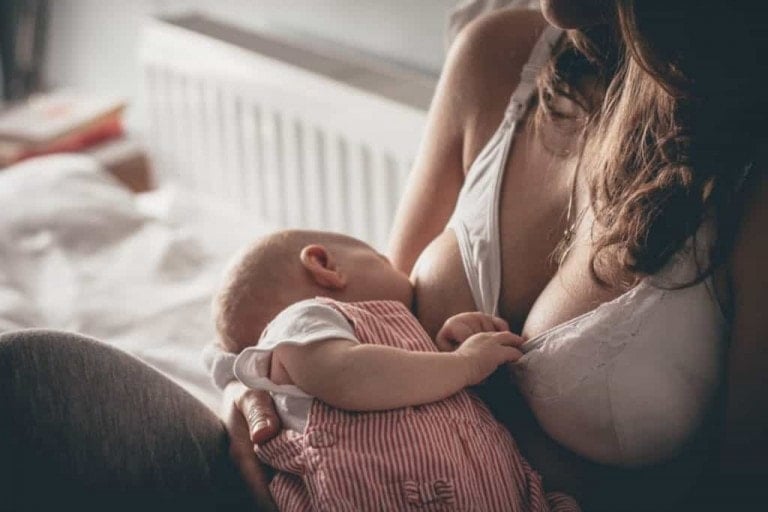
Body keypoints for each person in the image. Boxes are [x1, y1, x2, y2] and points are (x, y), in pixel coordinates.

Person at [1, 1, 767, 510]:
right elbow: (369, 315)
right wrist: (262, 386)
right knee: (34, 389)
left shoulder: (748, 174)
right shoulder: (501, 54)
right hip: (324, 485)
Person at [207, 228, 578, 510]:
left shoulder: (378, 349)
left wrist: (439, 350)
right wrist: (461, 364)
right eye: (382, 258)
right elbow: (351, 377)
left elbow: (399, 384)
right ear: (325, 266)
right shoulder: (302, 323)